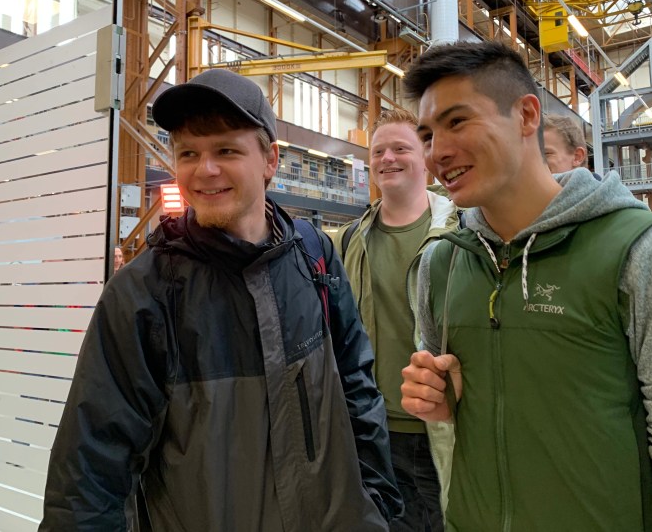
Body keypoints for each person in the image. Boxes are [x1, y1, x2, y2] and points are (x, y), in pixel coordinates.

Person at [399, 40, 652, 531]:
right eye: (426, 134)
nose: (437, 151)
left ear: (527, 116)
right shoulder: (443, 264)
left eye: (457, 121)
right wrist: (443, 400)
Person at [40, 69, 401, 531]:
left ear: (269, 160)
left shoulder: (313, 257)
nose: (204, 170)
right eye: (188, 153)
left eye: (226, 151)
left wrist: (376, 506)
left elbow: (356, 386)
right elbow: (89, 472)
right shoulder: (144, 295)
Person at [335, 109, 460, 532]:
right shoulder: (350, 240)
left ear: (426, 157)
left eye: (400, 148)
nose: (387, 158)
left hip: (444, 429)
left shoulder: (462, 232)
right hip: (375, 430)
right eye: (378, 151)